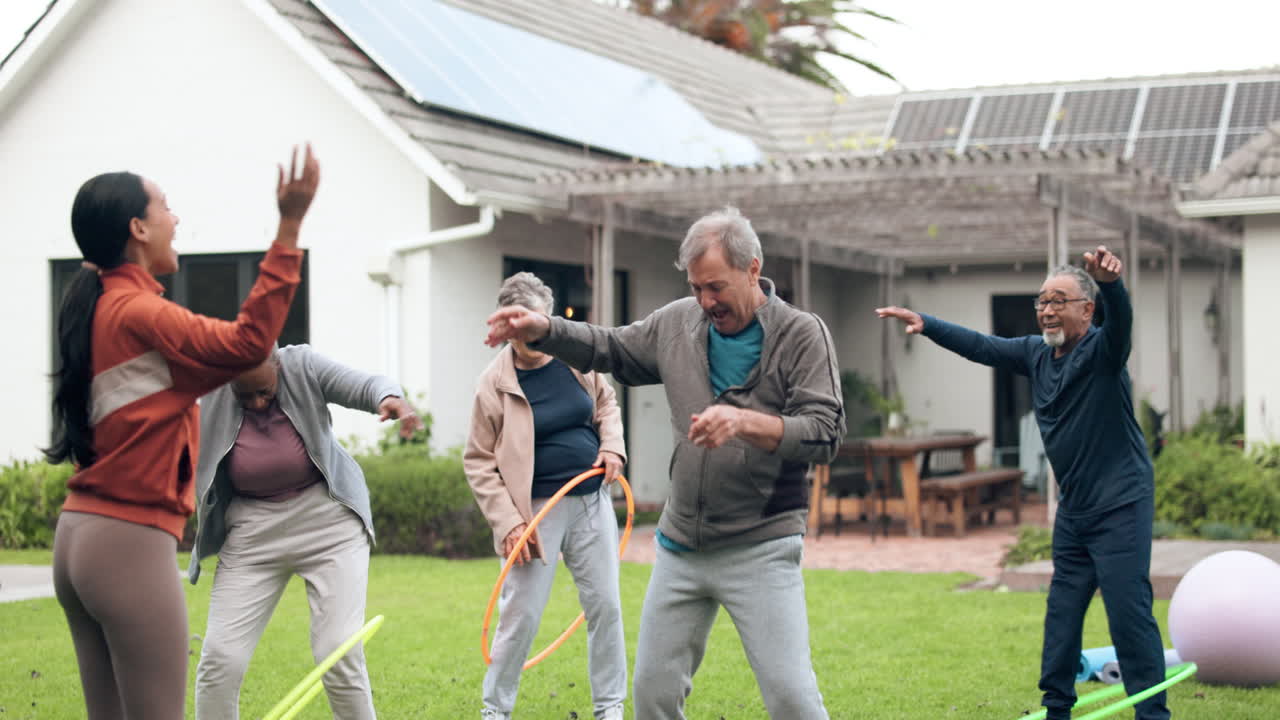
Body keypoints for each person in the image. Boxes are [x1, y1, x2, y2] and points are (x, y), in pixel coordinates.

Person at [484, 208, 844, 720]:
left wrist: (745, 423)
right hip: (681, 547)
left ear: (752, 268)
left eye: (715, 287)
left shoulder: (801, 334)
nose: (705, 301)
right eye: (696, 287)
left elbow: (825, 432)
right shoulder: (679, 323)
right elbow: (611, 347)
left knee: (791, 697)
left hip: (760, 542)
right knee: (652, 696)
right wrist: (546, 331)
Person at [45, 145, 320, 719]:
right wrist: (290, 226)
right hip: (126, 543)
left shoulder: (101, 307)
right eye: (166, 207)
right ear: (138, 228)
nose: (177, 220)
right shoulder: (138, 313)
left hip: (79, 538)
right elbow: (250, 346)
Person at [876, 246, 1169, 720]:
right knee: (1062, 611)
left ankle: (1151, 713)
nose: (1047, 310)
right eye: (1041, 301)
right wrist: (927, 324)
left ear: (1086, 310)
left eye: (1059, 300)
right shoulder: (1036, 355)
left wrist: (1113, 285)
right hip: (1074, 509)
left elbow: (1122, 326)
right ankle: (1056, 709)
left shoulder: (1103, 352)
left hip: (1121, 504)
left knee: (1128, 610)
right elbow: (981, 345)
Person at [189, 345, 422, 719]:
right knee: (221, 658)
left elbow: (364, 385)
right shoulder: (211, 385)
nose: (258, 403)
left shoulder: (302, 365)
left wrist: (390, 397)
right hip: (251, 534)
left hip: (327, 525)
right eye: (244, 396)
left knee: (339, 652)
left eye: (265, 391)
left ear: (277, 363)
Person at [465, 272, 628, 720]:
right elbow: (478, 461)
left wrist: (612, 445)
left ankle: (610, 708)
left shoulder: (575, 359)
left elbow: (606, 406)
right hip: (533, 515)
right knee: (521, 617)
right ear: (509, 329)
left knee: (606, 607)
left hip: (592, 501)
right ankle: (495, 710)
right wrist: (508, 522)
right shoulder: (493, 384)